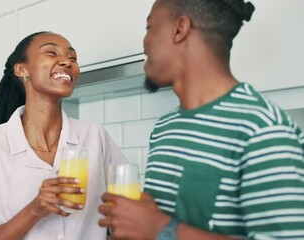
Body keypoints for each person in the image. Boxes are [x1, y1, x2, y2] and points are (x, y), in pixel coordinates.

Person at [98, 0, 304, 239]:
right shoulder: (165, 129)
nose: (145, 43)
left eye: (149, 28)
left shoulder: (263, 130)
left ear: (179, 29)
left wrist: (160, 228)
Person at [0, 31, 127, 240]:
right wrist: (35, 209)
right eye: (52, 53)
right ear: (22, 69)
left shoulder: (95, 137)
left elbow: (125, 214)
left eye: (73, 58)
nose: (67, 62)